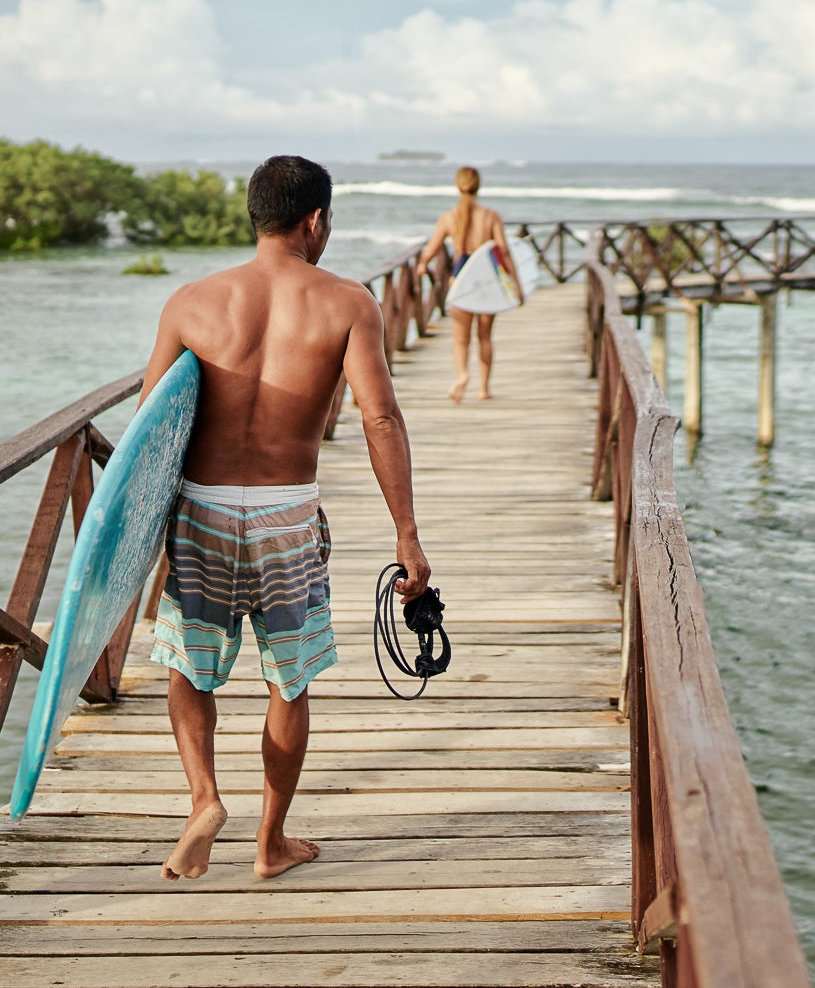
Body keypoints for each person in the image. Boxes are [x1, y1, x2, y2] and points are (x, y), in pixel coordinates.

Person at [138, 154, 431, 883]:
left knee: (189, 669)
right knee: (288, 681)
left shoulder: (190, 302)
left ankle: (204, 799)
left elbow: (150, 428)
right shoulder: (348, 302)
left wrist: (142, 543)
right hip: (287, 515)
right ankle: (271, 842)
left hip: (202, 510)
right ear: (316, 220)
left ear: (256, 215)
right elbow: (382, 419)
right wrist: (407, 535)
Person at [414, 166, 525, 402]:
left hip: (461, 279)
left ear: (458, 185)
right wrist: (517, 284)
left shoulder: (449, 217)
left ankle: (463, 375)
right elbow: (503, 251)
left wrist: (423, 264)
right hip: (489, 281)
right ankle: (484, 389)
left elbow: (431, 249)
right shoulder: (490, 216)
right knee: (485, 336)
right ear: (478, 185)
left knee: (460, 338)